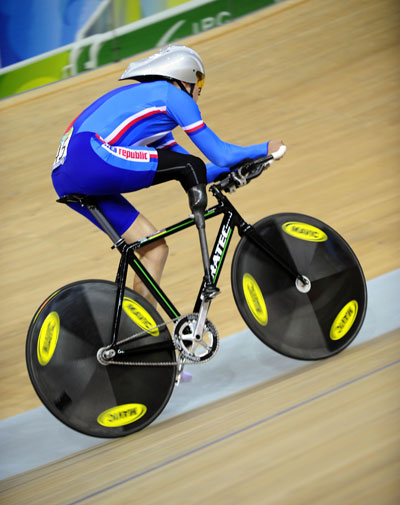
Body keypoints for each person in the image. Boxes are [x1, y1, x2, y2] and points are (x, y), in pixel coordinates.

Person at [52, 45, 286, 308]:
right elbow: (219, 154)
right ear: (182, 77)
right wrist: (264, 149)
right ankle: (208, 281)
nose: (200, 90)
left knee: (154, 249)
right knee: (188, 166)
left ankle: (138, 330)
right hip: (90, 155)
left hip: (66, 172)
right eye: (199, 80)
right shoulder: (173, 96)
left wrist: (243, 165)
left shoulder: (154, 114)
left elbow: (207, 169)